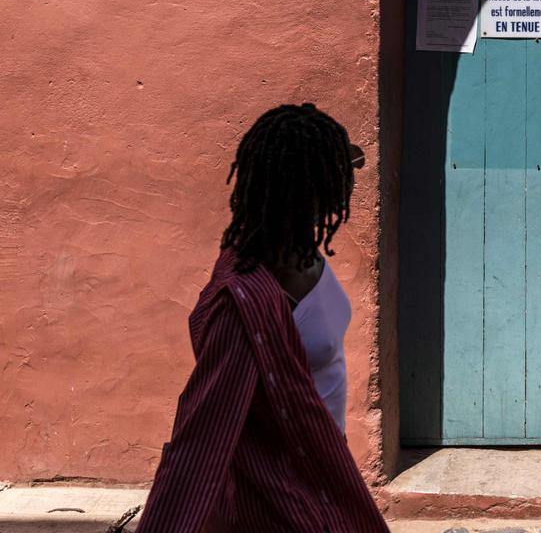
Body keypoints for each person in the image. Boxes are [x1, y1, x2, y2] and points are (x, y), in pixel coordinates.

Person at [138, 103, 388, 533]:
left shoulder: (306, 253)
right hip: (277, 492)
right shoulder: (245, 302)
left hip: (320, 459)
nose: (341, 193)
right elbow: (203, 434)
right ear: (298, 192)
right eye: (329, 182)